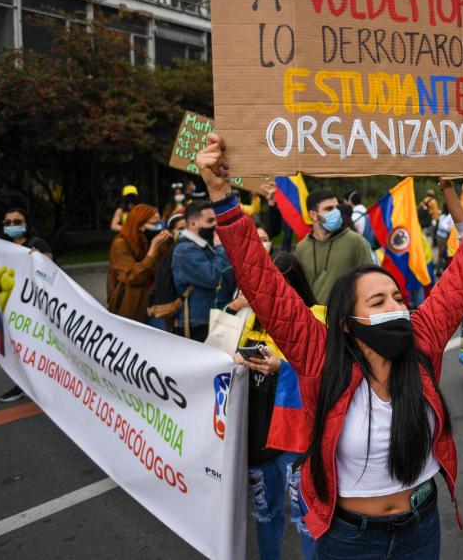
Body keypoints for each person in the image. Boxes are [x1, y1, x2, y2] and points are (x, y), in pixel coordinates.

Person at [196, 132, 463, 558]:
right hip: (348, 538)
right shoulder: (319, 355)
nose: (395, 306)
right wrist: (222, 196)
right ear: (345, 323)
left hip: (421, 529)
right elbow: (263, 283)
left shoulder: (422, 339)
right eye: (378, 301)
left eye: (397, 297)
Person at [229, 245, 320, 560]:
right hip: (257, 436)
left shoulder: (316, 317)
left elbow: (325, 369)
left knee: (306, 519)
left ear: (293, 286)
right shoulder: (248, 320)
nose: (267, 298)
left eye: (275, 289)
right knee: (265, 515)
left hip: (296, 439)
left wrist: (282, 367)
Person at [0, 207, 53, 403]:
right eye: (8, 222)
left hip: (37, 308)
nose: (12, 225)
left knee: (39, 348)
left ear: (26, 224)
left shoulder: (37, 243)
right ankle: (24, 384)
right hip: (16, 308)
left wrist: (40, 260)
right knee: (21, 349)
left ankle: (46, 387)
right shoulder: (3, 247)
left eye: (17, 222)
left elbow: (53, 276)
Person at [296, 188, 374, 305]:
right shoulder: (301, 248)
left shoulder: (356, 241)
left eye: (336, 208)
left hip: (346, 318)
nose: (336, 213)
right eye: (329, 209)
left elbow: (370, 282)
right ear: (313, 215)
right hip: (313, 319)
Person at [172, 200, 231, 341]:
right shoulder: (186, 249)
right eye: (210, 221)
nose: (215, 225)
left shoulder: (202, 244)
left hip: (204, 318)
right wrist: (221, 249)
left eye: (216, 220)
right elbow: (214, 277)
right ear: (193, 224)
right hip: (196, 322)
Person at [106, 204, 172, 322]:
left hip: (156, 301)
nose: (159, 227)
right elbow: (132, 276)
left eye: (160, 223)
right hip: (132, 304)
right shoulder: (121, 243)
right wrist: (153, 249)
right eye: (154, 224)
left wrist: (168, 243)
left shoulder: (152, 239)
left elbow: (165, 268)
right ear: (140, 225)